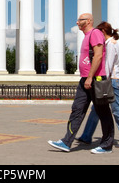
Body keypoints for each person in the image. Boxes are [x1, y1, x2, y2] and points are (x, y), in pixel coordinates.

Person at [48, 13, 114, 154]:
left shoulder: (95, 33)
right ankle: (66, 142)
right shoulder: (86, 36)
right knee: (77, 109)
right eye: (77, 20)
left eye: (80, 20)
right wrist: (86, 78)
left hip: (96, 79)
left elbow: (98, 55)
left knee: (103, 113)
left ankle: (107, 145)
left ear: (89, 21)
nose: (77, 22)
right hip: (85, 79)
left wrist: (90, 77)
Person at [78, 21, 119, 148]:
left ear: (103, 32)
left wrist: (102, 80)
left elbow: (107, 65)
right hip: (111, 79)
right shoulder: (111, 43)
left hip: (111, 80)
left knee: (117, 111)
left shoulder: (111, 44)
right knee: (96, 109)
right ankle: (86, 136)